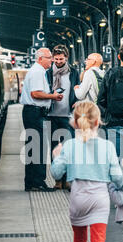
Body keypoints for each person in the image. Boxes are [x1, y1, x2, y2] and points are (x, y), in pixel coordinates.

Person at [50, 101, 123, 242]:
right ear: (98, 121)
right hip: (100, 197)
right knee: (98, 240)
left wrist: (56, 156)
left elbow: (56, 173)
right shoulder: (107, 146)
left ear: (74, 122)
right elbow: (117, 178)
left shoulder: (69, 146)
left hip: (78, 197)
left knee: (79, 240)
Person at [20, 48, 63, 192]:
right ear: (40, 59)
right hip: (35, 112)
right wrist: (53, 96)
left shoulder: (37, 71)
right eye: (49, 57)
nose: (51, 60)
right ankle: (37, 183)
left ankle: (32, 182)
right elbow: (36, 93)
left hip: (33, 112)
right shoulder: (38, 72)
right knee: (37, 148)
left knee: (35, 148)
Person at [46, 44, 80, 190]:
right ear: (53, 58)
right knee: (54, 149)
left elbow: (77, 89)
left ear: (66, 57)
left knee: (69, 149)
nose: (58, 62)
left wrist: (77, 102)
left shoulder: (73, 72)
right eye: (56, 59)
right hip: (52, 115)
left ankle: (68, 180)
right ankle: (57, 180)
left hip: (67, 116)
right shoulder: (48, 73)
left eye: (61, 59)